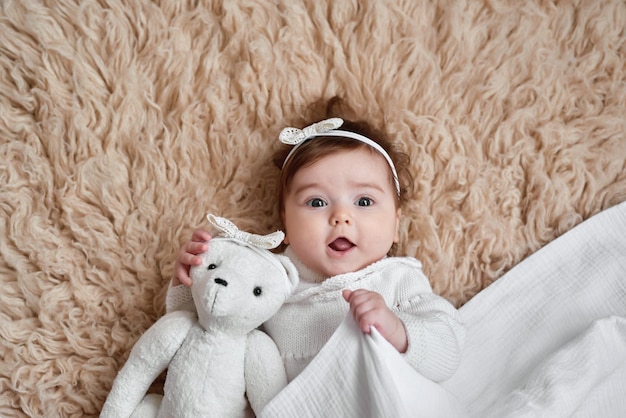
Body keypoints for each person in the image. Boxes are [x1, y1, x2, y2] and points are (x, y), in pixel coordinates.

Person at [166, 101, 465, 383]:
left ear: (396, 225)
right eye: (317, 201)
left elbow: (449, 349)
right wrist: (192, 282)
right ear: (286, 220)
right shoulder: (270, 283)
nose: (340, 216)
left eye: (364, 200)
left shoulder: (398, 281)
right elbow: (211, 340)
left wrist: (399, 332)